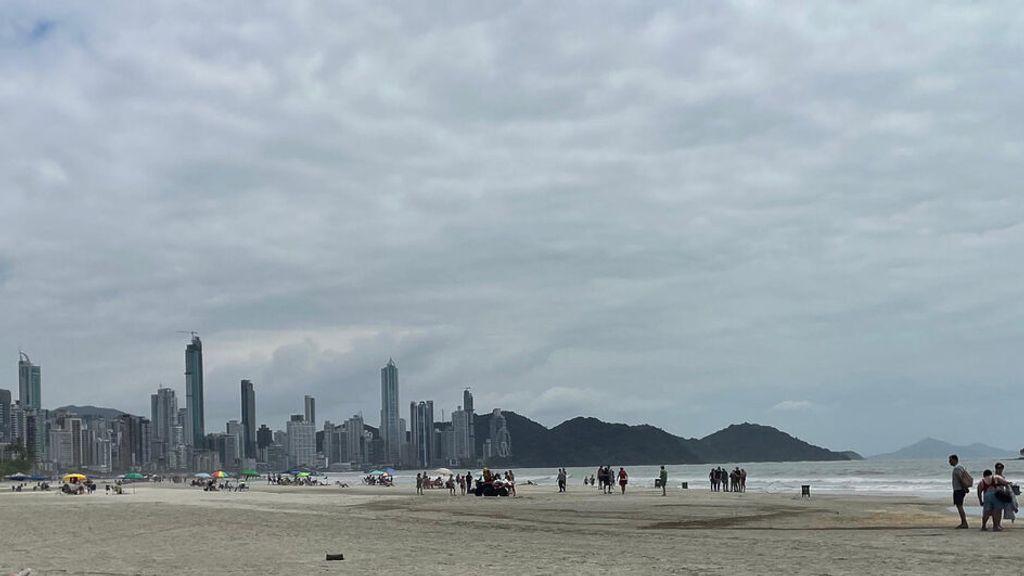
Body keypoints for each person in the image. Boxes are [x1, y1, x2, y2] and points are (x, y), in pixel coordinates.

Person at [949, 454, 972, 529]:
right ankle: (963, 522)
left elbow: (960, 479)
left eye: (950, 460)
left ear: (955, 460)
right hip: (960, 489)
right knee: (959, 506)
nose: (949, 462)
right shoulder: (961, 467)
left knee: (959, 506)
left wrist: (965, 488)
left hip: (959, 490)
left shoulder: (957, 468)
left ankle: (964, 523)